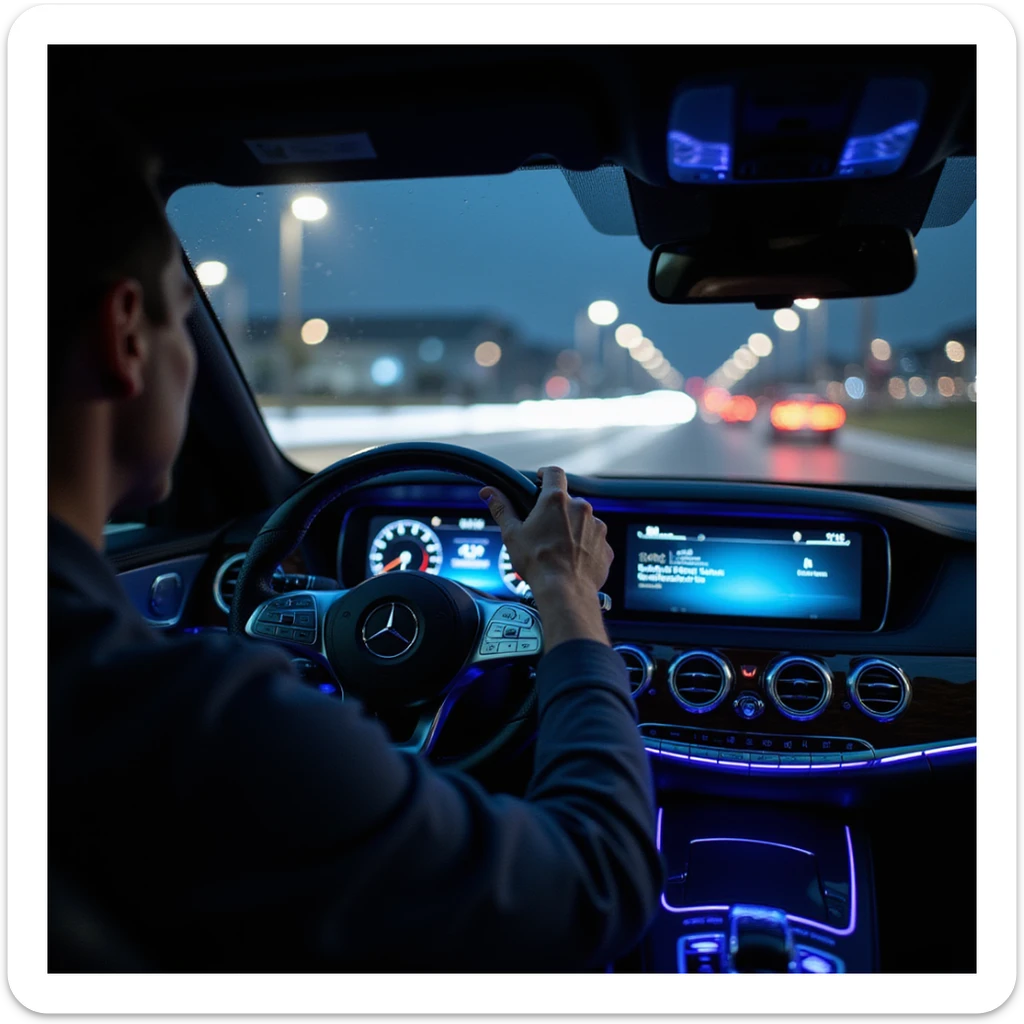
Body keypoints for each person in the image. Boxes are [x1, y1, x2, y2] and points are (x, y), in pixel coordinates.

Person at [47, 113, 662, 972]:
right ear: (125, 336)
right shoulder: (206, 731)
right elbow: (597, 882)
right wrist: (565, 601)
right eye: (187, 317)